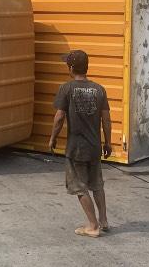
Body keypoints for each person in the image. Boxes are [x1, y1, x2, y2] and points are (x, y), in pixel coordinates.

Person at [49, 50, 111, 238]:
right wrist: (107, 142)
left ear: (71, 68)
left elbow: (59, 117)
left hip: (76, 148)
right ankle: (104, 221)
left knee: (79, 187)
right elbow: (106, 119)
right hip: (94, 147)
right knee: (97, 185)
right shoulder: (99, 89)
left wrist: (52, 138)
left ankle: (92, 226)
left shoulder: (66, 89)